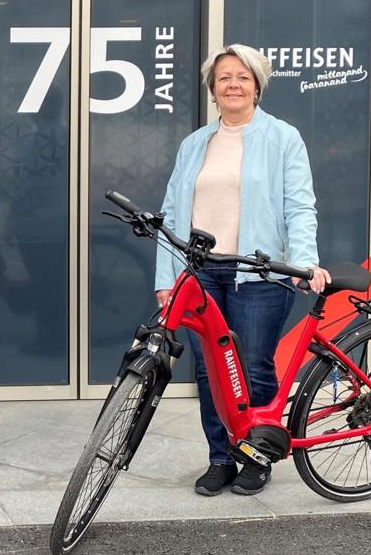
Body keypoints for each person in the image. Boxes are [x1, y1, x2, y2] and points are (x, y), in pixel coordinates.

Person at [154, 44, 331, 498]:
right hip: (202, 273)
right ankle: (220, 458)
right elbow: (172, 214)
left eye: (242, 76)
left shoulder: (282, 137)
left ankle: (255, 457)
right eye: (223, 77)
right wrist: (167, 279)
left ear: (257, 85)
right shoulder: (195, 143)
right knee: (210, 372)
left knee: (252, 368)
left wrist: (303, 260)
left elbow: (300, 206)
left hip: (260, 272)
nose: (233, 84)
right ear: (212, 88)